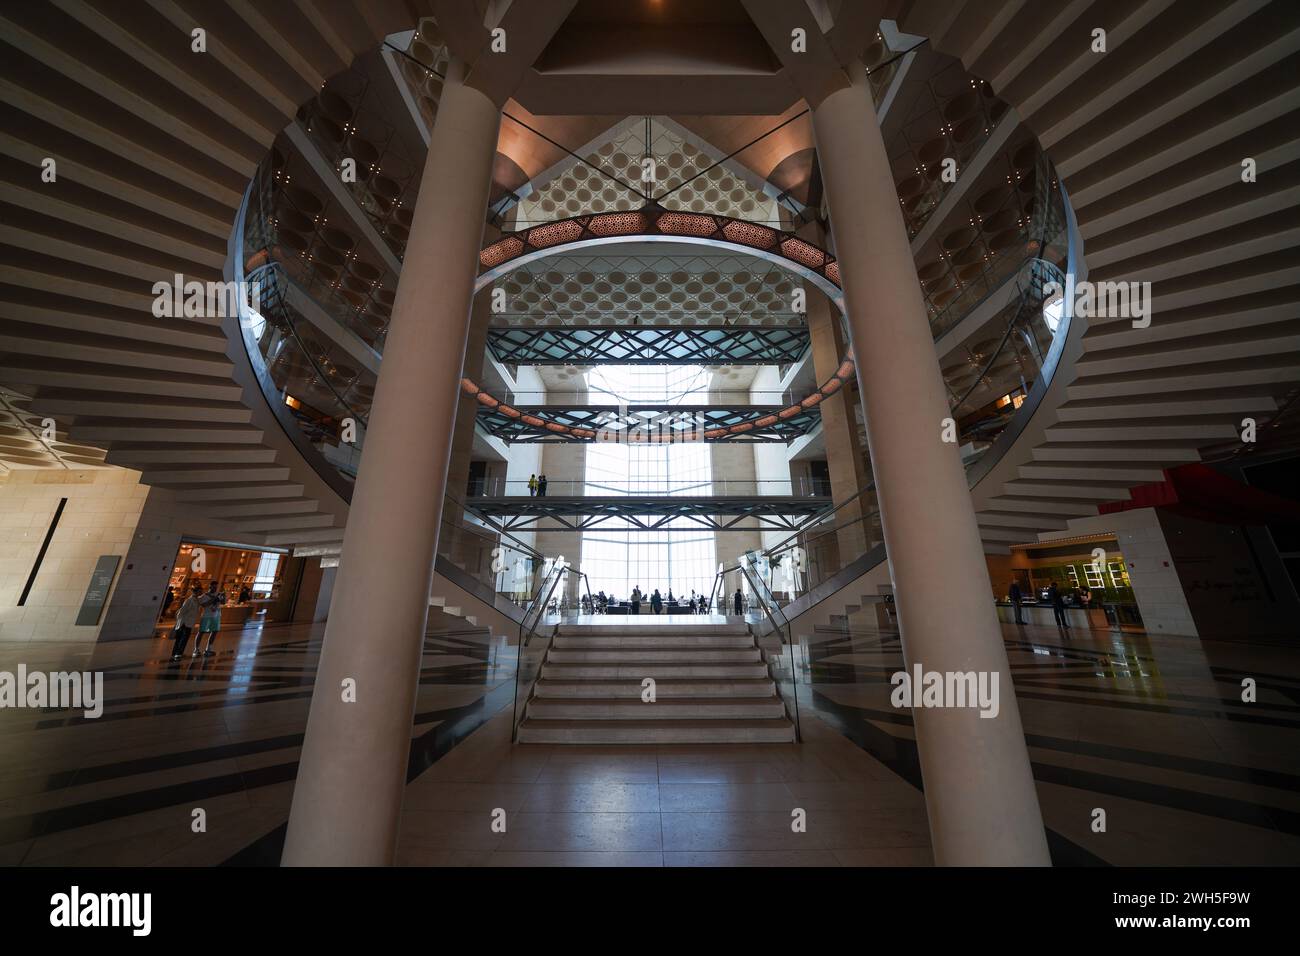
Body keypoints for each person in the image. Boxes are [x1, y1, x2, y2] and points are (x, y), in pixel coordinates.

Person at [169, 584, 202, 661]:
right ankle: (178, 653)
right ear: (195, 592)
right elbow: (181, 611)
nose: (200, 593)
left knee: (182, 639)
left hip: (189, 623)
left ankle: (176, 653)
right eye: (199, 591)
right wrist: (180, 622)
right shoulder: (189, 600)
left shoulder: (196, 601)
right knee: (182, 639)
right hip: (185, 623)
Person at [195, 581, 227, 657]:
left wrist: (223, 596)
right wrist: (214, 598)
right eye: (214, 586)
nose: (215, 588)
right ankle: (196, 649)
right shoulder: (204, 596)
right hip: (206, 616)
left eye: (216, 586)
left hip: (216, 616)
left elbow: (223, 602)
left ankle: (208, 649)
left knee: (214, 631)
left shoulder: (217, 594)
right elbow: (204, 605)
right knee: (201, 632)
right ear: (210, 587)